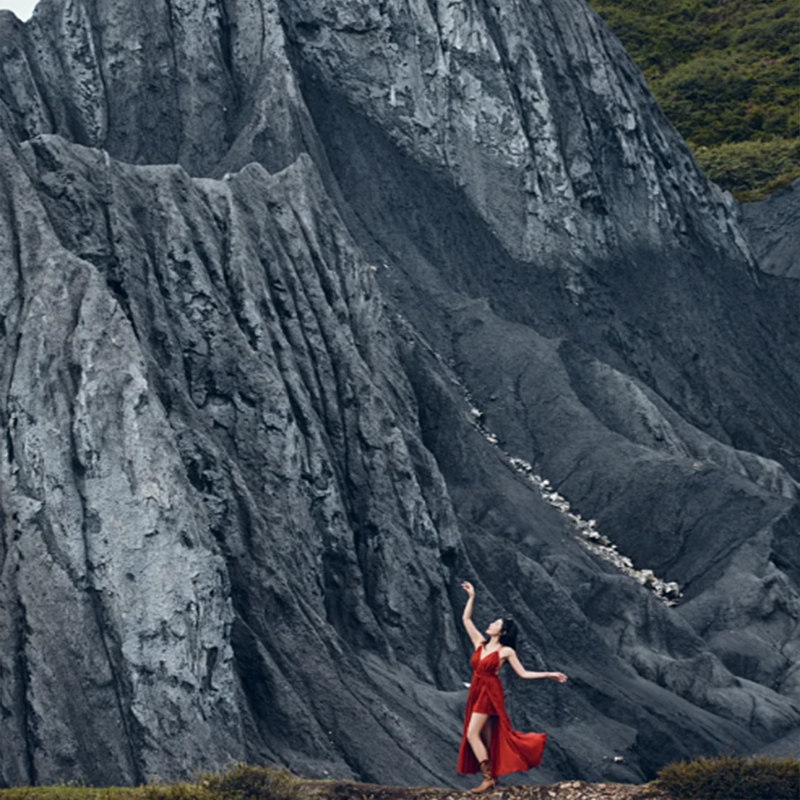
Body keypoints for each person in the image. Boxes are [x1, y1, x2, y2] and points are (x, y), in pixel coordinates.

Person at [457, 581, 568, 793]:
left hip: (490, 692)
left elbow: (523, 673)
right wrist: (472, 597)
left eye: (495, 623)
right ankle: (493, 778)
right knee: (488, 736)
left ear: (503, 631)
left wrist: (548, 674)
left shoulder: (506, 651)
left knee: (472, 734)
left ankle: (488, 778)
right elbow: (466, 619)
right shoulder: (480, 643)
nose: (490, 624)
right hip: (477, 690)